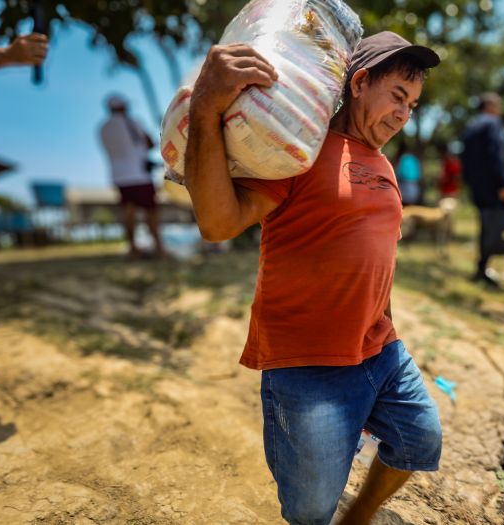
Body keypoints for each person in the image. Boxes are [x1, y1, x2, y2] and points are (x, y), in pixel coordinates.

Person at [184, 31, 442, 525]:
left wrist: (382, 321)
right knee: (309, 510)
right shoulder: (298, 146)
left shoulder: (384, 164)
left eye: (412, 104)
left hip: (380, 350)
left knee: (418, 439)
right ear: (361, 82)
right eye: (397, 96)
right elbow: (218, 223)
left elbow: (376, 256)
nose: (403, 113)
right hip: (307, 363)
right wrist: (205, 107)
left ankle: (357, 518)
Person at [460, 92, 504, 291]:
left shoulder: (471, 127)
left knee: (487, 228)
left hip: (478, 190)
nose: (499, 110)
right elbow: (495, 155)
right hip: (496, 189)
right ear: (489, 106)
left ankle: (481, 270)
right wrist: (503, 185)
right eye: (498, 106)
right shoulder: (492, 124)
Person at [99, 95, 166, 259]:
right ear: (123, 107)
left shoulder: (103, 128)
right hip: (140, 175)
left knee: (128, 212)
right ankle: (159, 248)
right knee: (151, 211)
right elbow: (150, 143)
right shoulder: (131, 122)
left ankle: (133, 248)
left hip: (120, 176)